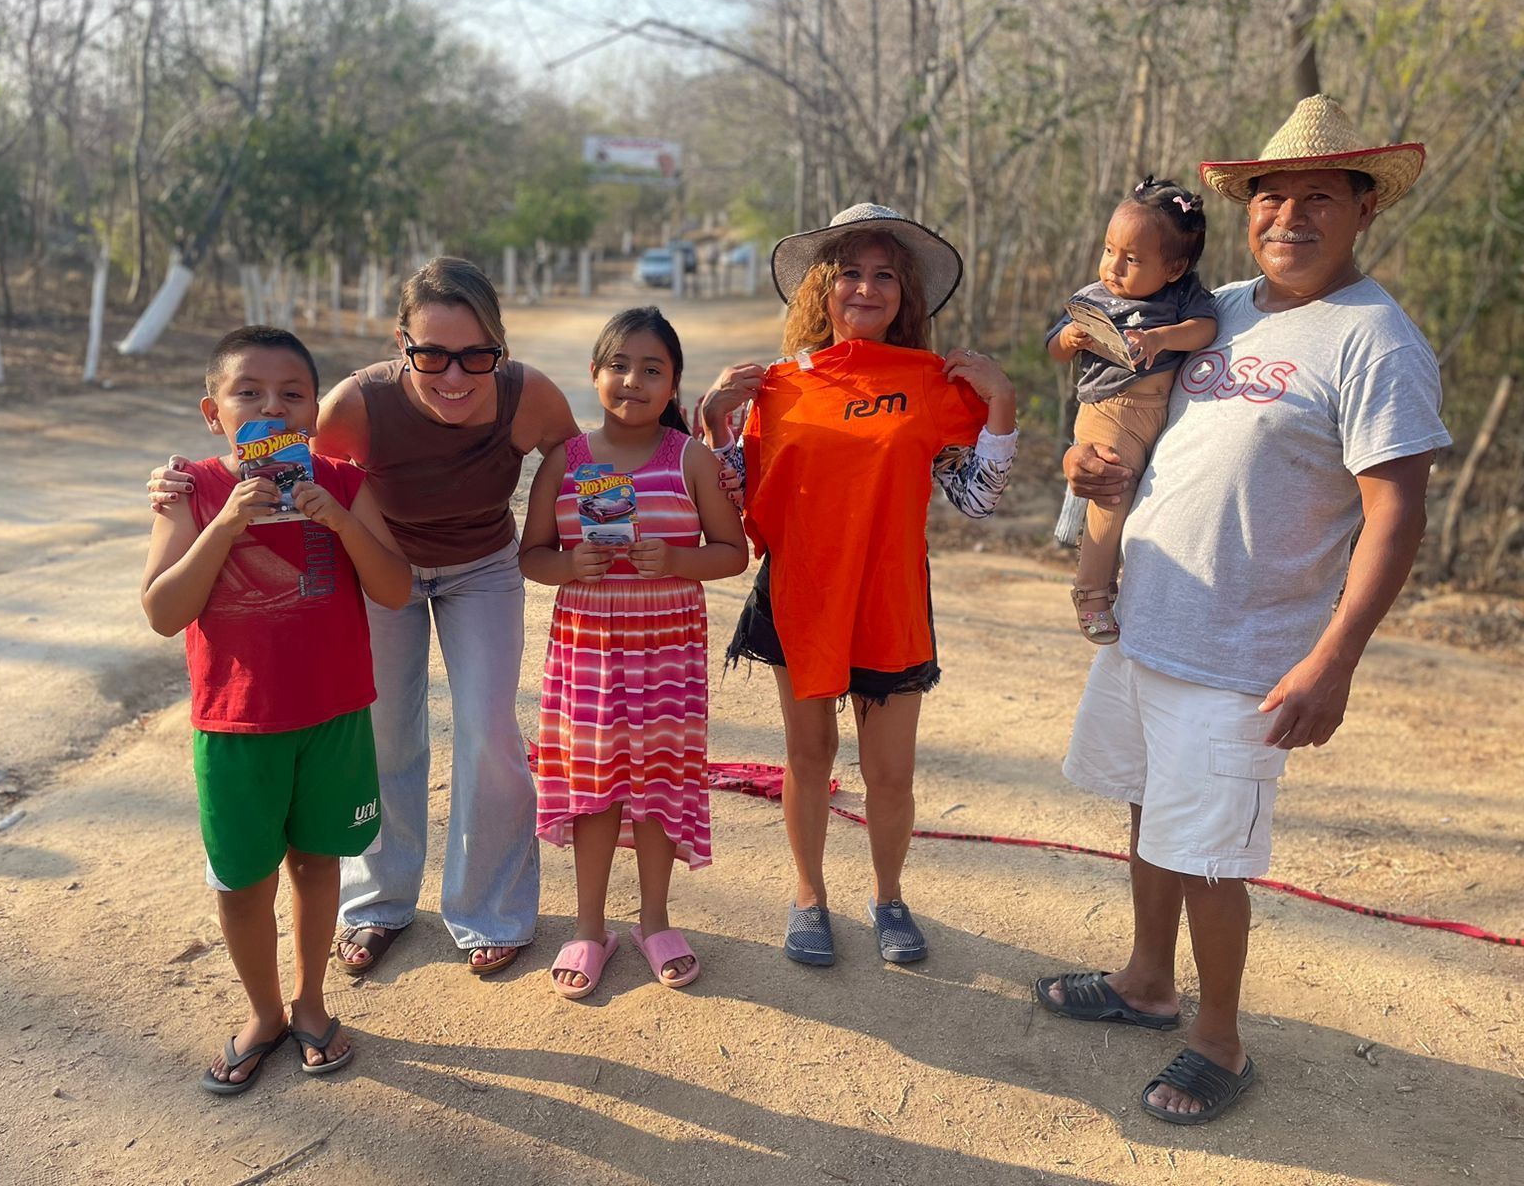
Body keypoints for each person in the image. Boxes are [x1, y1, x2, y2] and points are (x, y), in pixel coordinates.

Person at [1036, 96, 1451, 1125]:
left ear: (1363, 210)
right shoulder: (1219, 307)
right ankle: (1146, 981)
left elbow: (1394, 516)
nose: (1289, 217)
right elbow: (1133, 422)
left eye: (1319, 198)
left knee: (1211, 857)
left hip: (1245, 654)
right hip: (1149, 621)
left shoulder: (1376, 342)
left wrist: (1333, 660)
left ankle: (1219, 1039)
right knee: (1149, 810)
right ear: (1246, 209)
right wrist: (1088, 466)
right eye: (1271, 197)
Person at [147, 258, 579, 977]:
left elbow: (574, 453)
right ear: (400, 344)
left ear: (500, 349)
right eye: (431, 354)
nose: (454, 375)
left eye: (476, 355)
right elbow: (285, 466)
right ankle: (377, 904)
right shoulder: (355, 405)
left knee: (488, 731)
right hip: (381, 571)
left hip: (482, 568)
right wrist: (182, 484)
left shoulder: (526, 395)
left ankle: (490, 910)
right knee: (382, 736)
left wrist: (543, 534)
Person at [698, 203, 1018, 968]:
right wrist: (713, 421)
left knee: (890, 773)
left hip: (889, 599)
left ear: (905, 295)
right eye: (849, 273)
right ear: (823, 288)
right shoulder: (781, 385)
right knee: (808, 757)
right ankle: (808, 896)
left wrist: (1002, 403)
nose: (866, 288)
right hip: (800, 595)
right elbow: (740, 494)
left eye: (884, 276)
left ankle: (888, 897)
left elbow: (976, 498)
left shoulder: (930, 385)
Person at [141, 326, 411, 1093]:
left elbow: (395, 589)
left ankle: (311, 1003)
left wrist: (340, 521)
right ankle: (263, 1013)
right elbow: (163, 611)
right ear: (213, 413)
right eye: (248, 393)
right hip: (236, 725)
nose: (272, 407)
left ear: (313, 413)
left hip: (333, 716)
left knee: (319, 862)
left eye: (292, 394)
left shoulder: (344, 484)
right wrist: (225, 523)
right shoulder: (192, 489)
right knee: (242, 882)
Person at [520, 307, 748, 998]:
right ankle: (590, 928)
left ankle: (655, 921)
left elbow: (732, 552)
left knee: (659, 786)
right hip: (589, 652)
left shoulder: (691, 459)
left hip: (667, 655)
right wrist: (569, 567)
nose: (633, 381)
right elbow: (532, 555)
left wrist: (677, 559)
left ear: (673, 384)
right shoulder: (565, 462)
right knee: (595, 789)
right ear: (594, 374)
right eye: (619, 366)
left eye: (652, 370)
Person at [1046, 177, 1218, 643]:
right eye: (1109, 250)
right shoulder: (1093, 299)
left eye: (1133, 259)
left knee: (1143, 504)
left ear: (1175, 268)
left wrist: (1161, 338)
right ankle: (1091, 591)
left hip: (1162, 413)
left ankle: (1124, 582)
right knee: (1111, 493)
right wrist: (1069, 339)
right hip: (1111, 408)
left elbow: (1205, 328)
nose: (1113, 267)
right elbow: (1054, 348)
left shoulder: (1182, 297)